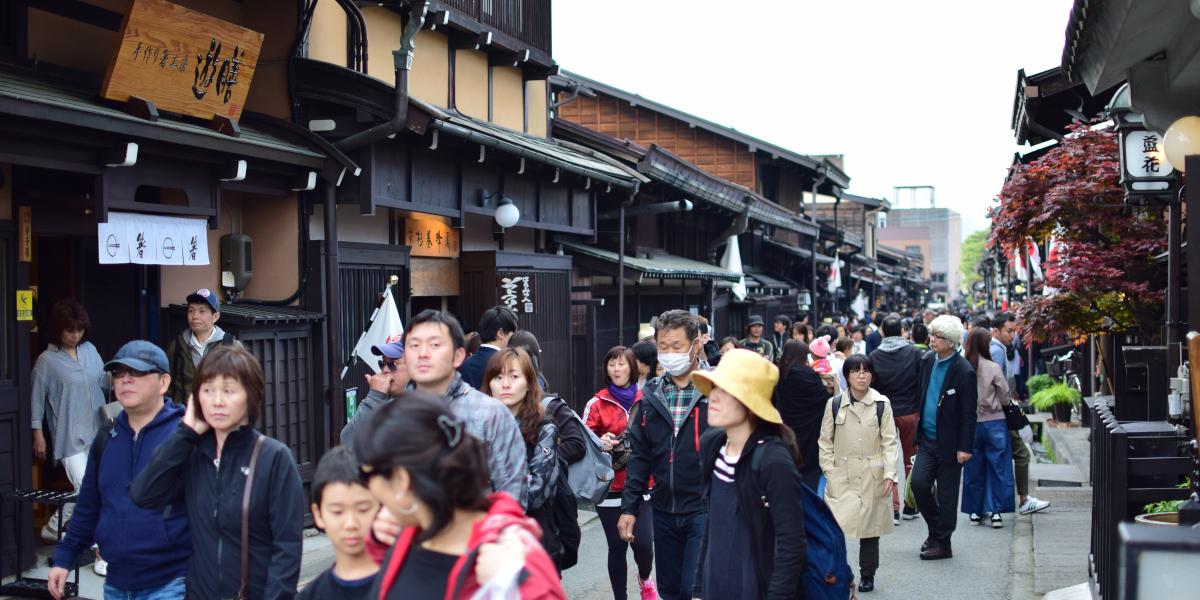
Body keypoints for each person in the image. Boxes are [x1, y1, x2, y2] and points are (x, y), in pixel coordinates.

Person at [131, 345, 304, 600]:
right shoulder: (193, 453)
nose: (217, 401)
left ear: (251, 396)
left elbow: (287, 548)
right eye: (208, 390)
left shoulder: (274, 458)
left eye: (229, 390)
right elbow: (143, 494)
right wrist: (186, 432)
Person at [353, 393, 566, 600]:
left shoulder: (512, 553)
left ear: (401, 479)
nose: (368, 489)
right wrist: (380, 544)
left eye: (367, 475)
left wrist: (515, 582)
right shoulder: (411, 532)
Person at [46, 341, 191, 600]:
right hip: (116, 584)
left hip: (172, 582)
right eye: (119, 373)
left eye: (137, 372)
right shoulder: (106, 437)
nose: (125, 380)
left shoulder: (185, 437)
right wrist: (65, 556)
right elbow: (89, 506)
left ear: (164, 382)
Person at [692, 349, 807, 600]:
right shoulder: (714, 445)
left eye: (726, 391)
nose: (714, 397)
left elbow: (792, 544)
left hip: (755, 586)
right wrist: (699, 589)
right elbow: (712, 523)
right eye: (714, 387)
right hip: (716, 583)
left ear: (752, 405)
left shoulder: (773, 459)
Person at [619, 310, 711, 600]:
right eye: (663, 347)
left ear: (695, 345)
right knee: (670, 590)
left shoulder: (716, 389)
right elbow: (640, 456)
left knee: (694, 588)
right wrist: (629, 508)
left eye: (677, 347)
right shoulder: (651, 394)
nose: (669, 354)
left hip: (704, 506)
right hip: (663, 507)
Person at [394, 310, 526, 503]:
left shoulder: (491, 414)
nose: (422, 353)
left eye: (434, 345)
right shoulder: (392, 413)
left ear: (458, 356)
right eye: (414, 345)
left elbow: (512, 497)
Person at [818, 354, 899, 593]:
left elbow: (890, 442)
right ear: (847, 376)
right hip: (841, 473)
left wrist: (890, 474)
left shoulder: (882, 404)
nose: (861, 376)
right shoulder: (834, 404)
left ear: (872, 375)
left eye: (866, 371)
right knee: (835, 527)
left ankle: (867, 574)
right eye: (855, 371)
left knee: (870, 528)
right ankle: (837, 570)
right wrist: (830, 471)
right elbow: (825, 442)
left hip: (871, 472)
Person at [32, 299, 108, 544]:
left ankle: (57, 529)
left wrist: (118, 379)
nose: (76, 335)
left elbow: (103, 380)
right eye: (70, 330)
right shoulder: (46, 360)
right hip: (69, 433)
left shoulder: (89, 350)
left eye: (80, 329)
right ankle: (92, 543)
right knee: (86, 487)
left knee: (98, 487)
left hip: (97, 429)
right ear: (57, 329)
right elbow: (35, 400)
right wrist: (38, 435)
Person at [584, 346, 656, 600]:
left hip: (643, 484)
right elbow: (582, 441)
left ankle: (645, 578)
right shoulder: (597, 403)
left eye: (622, 364)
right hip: (610, 486)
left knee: (643, 544)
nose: (616, 369)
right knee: (616, 547)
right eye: (611, 364)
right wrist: (598, 441)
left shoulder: (648, 398)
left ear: (632, 368)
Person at [483, 348, 562, 562]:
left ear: (528, 384)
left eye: (514, 376)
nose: (505, 384)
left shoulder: (544, 428)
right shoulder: (478, 426)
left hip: (532, 540)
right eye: (498, 377)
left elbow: (532, 492)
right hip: (486, 541)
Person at [909, 316, 977, 560]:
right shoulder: (927, 360)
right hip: (927, 439)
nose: (932, 339)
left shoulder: (964, 370)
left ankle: (943, 544)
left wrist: (965, 446)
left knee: (947, 496)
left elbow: (970, 412)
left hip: (951, 442)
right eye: (932, 334)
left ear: (951, 342)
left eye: (937, 336)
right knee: (918, 485)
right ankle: (936, 531)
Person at [295, 446, 380, 600]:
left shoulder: (404, 585)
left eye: (362, 509)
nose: (350, 524)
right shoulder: (311, 595)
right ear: (318, 515)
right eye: (337, 512)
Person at [990, 314, 1050, 516]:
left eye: (1014, 331)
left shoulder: (996, 348)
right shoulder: (997, 350)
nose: (1012, 335)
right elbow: (998, 383)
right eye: (1009, 331)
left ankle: (994, 504)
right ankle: (1023, 500)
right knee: (1021, 454)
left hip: (994, 412)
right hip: (1000, 412)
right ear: (996, 331)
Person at [961, 328, 1017, 529]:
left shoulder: (963, 367)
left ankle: (975, 512)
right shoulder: (993, 367)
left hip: (970, 423)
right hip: (995, 421)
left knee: (973, 467)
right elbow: (1004, 398)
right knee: (998, 466)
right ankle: (996, 513)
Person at [869, 316, 923, 521]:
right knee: (911, 460)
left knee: (886, 460)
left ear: (882, 333)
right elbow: (921, 381)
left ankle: (892, 508)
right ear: (902, 331)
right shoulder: (914, 352)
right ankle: (911, 505)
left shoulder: (874, 355)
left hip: (884, 412)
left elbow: (872, 387)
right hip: (910, 411)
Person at [165, 289, 242, 406]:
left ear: (215, 316)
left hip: (220, 414)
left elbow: (244, 385)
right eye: (191, 311)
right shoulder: (177, 346)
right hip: (184, 417)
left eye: (202, 311)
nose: (195, 316)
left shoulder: (232, 346)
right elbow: (168, 387)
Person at [774, 340, 832, 491]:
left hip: (785, 428)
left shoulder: (778, 374)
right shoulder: (808, 374)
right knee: (809, 475)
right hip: (810, 430)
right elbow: (824, 400)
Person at [340, 340, 411, 445]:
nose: (385, 370)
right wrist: (375, 397)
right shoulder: (386, 400)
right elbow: (346, 441)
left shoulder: (422, 405)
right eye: (382, 363)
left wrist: (375, 398)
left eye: (393, 364)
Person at [458, 305, 519, 390]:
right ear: (500, 333)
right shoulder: (505, 362)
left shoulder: (466, 363)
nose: (515, 335)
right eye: (514, 331)